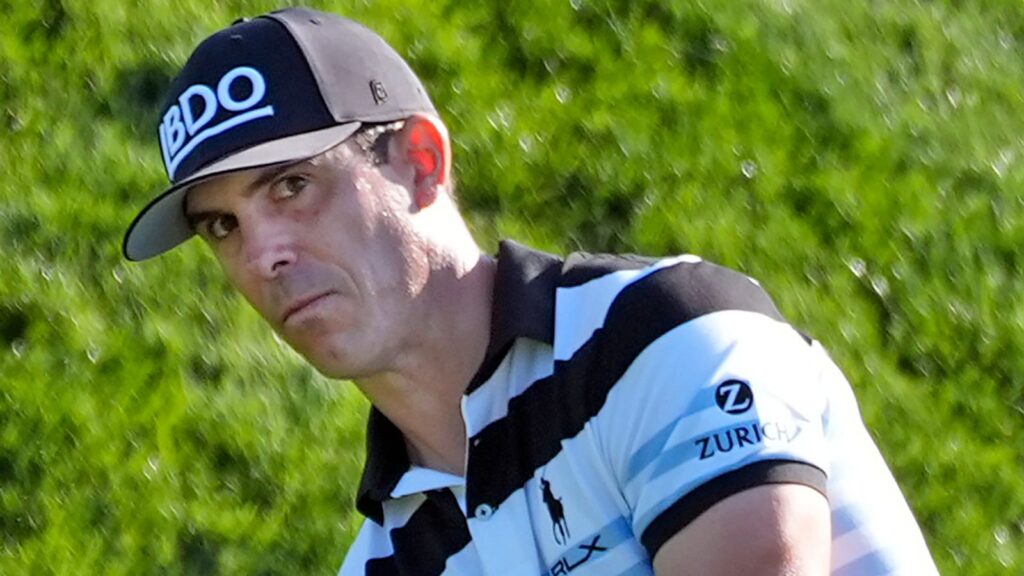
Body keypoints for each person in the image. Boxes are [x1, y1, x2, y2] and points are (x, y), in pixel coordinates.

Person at [123, 7, 939, 575]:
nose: (261, 254)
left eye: (293, 185)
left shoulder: (665, 338)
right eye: (222, 227)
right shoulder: (384, 562)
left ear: (420, 159)